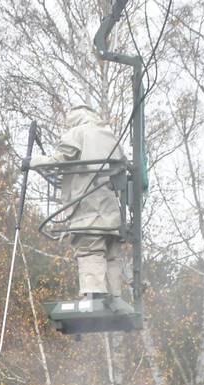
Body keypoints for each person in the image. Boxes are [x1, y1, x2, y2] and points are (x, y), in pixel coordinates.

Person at [34, 104, 128, 304]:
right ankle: (116, 298)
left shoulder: (78, 132)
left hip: (88, 208)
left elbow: (59, 160)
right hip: (110, 210)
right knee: (110, 255)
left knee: (89, 249)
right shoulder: (109, 135)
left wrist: (32, 162)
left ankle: (93, 296)